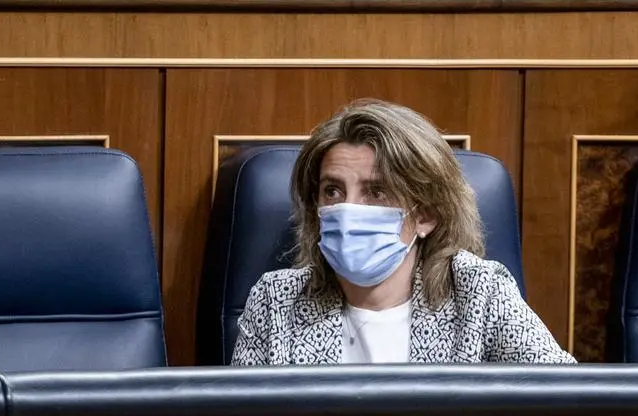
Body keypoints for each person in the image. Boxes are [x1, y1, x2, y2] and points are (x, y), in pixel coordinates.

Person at [231, 99, 576, 366]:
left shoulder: (479, 294)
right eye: (332, 191)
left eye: (376, 192)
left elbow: (566, 401)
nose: (348, 209)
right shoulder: (276, 301)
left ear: (426, 214)